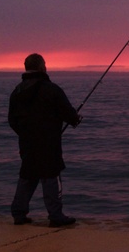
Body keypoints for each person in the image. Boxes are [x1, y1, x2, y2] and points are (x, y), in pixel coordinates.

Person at [8, 53, 82, 227]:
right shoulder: (52, 89)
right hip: (49, 143)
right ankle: (55, 216)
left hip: (27, 143)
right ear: (42, 67)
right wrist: (75, 119)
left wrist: (25, 134)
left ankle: (18, 214)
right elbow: (69, 115)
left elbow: (12, 120)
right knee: (51, 178)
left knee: (27, 176)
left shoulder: (17, 92)